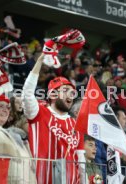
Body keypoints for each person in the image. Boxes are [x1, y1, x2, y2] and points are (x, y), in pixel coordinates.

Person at [22, 53, 85, 184]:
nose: (71, 95)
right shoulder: (39, 112)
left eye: (72, 92)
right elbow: (27, 93)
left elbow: (81, 161)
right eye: (66, 90)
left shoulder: (76, 125)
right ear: (53, 94)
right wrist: (39, 62)